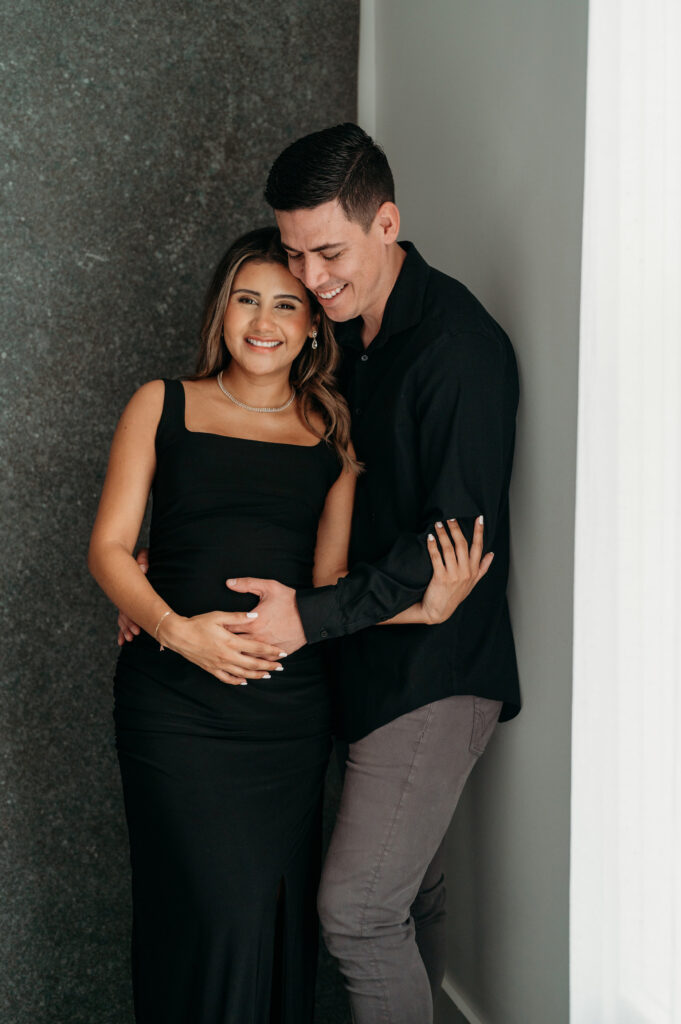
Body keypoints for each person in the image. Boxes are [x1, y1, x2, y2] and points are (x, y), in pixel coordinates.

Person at [89, 226, 492, 1024]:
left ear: (314, 325)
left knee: (266, 911)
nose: (264, 320)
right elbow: (107, 550)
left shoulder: (330, 438)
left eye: (286, 304)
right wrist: (174, 629)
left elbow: (329, 591)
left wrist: (427, 605)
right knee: (201, 908)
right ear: (222, 311)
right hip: (172, 709)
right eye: (247, 299)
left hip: (284, 717)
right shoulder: (160, 403)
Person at [221, 124, 522, 1024]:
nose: (308, 280)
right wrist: (165, 574)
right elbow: (291, 481)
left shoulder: (459, 350)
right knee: (406, 904)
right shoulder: (345, 336)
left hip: (433, 677)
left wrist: (305, 619)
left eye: (328, 251)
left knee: (354, 913)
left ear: (385, 222)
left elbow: (446, 553)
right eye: (292, 252)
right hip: (362, 659)